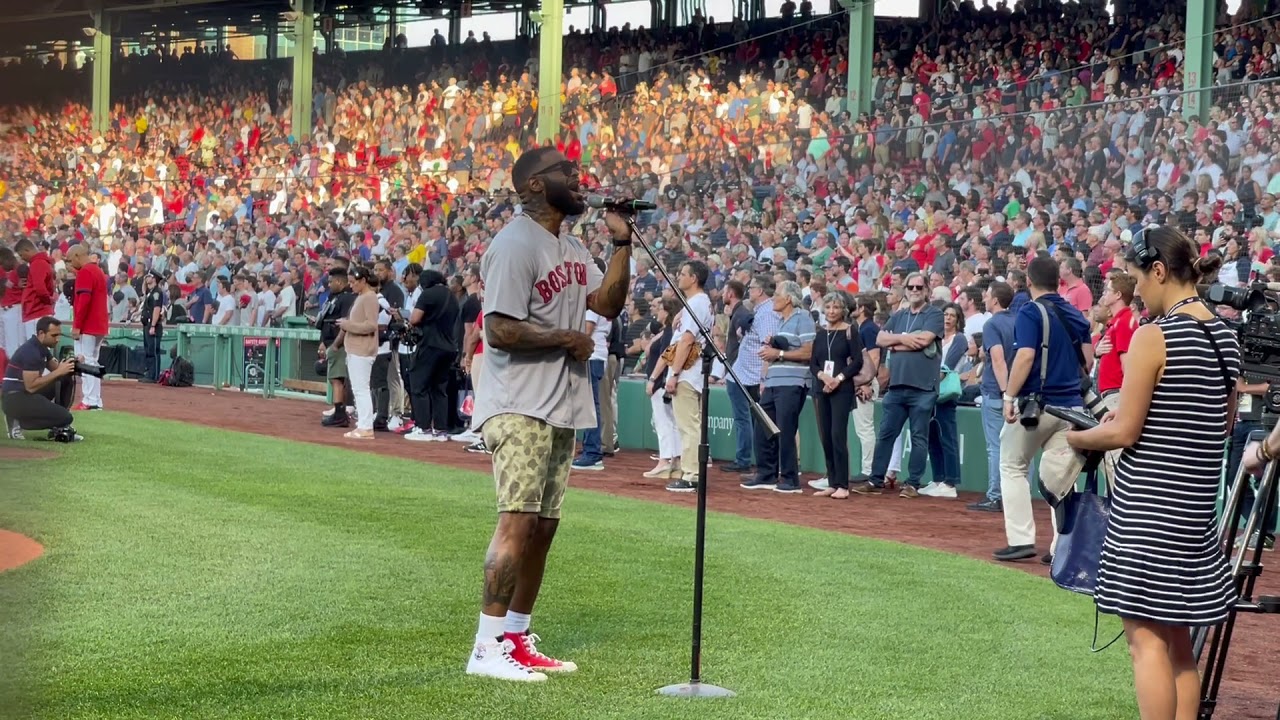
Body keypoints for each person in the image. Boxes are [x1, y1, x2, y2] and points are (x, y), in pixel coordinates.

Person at [466, 146, 632, 681]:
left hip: (558, 404)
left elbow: (605, 303)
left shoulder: (570, 243)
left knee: (543, 526)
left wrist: (623, 243)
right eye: (567, 173)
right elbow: (500, 329)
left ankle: (515, 636)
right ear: (536, 185)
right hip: (518, 402)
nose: (578, 179)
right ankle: (486, 647)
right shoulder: (515, 243)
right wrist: (567, 338)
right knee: (517, 520)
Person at [1067, 225, 1240, 720]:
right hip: (1194, 512)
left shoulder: (1154, 335)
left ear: (1159, 271)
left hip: (1148, 513)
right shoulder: (1227, 337)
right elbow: (1220, 423)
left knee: (1145, 645)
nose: (1135, 289)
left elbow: (1124, 433)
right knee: (1180, 647)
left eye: (1137, 278)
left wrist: (1076, 439)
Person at [996, 255, 1092, 562]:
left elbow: (1024, 357)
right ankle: (1061, 546)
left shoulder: (1030, 311)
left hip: (1036, 406)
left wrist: (1009, 397)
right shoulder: (1075, 313)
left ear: (1028, 281)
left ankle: (1022, 539)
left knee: (1013, 466)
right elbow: (1087, 361)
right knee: (1061, 477)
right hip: (1072, 408)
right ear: (1059, 281)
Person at [855, 272, 944, 498]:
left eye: (919, 287)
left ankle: (913, 483)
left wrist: (897, 342)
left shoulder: (934, 313)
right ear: (905, 290)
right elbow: (880, 339)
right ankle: (876, 481)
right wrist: (906, 340)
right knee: (886, 434)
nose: (914, 290)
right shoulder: (899, 314)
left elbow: (924, 340)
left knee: (918, 437)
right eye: (911, 287)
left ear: (927, 290)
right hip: (897, 386)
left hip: (923, 387)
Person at [741, 281, 815, 493]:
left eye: (777, 295)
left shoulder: (804, 318)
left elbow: (809, 352)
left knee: (785, 430)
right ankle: (766, 474)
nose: (773, 298)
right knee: (764, 427)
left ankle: (790, 479)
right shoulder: (782, 321)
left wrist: (779, 353)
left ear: (789, 299)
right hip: (773, 382)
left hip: (793, 383)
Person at [660, 260, 714, 493]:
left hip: (688, 372)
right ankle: (693, 472)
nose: (679, 277)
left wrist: (674, 374)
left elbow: (686, 340)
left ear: (694, 279)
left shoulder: (697, 302)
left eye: (683, 274)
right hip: (694, 371)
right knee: (693, 425)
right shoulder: (699, 302)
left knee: (689, 426)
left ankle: (692, 475)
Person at [808, 293, 867, 499]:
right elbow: (813, 363)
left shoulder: (851, 331)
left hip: (842, 389)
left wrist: (838, 379)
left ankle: (843, 483)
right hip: (821, 388)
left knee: (837, 435)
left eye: (836, 307)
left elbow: (857, 361)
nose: (832, 311)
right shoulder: (820, 333)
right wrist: (824, 377)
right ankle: (832, 482)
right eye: (829, 307)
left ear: (843, 310)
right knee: (826, 436)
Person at [970, 281, 1015, 513]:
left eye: (987, 295)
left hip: (998, 394)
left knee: (995, 447)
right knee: (1017, 449)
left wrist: (1006, 392)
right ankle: (1015, 496)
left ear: (995, 299)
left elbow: (998, 360)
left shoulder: (992, 324)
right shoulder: (1019, 320)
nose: (985, 298)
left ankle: (995, 496)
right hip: (1018, 393)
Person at [1, 316, 80, 442]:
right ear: (41, 333)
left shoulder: (41, 348)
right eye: (54, 335)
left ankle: (60, 427)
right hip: (14, 398)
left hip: (24, 393)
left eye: (59, 335)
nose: (57, 339)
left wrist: (72, 365)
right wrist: (60, 371)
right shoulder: (31, 351)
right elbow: (31, 387)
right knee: (66, 417)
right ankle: (17, 420)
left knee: (65, 378)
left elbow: (57, 369)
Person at [405, 269, 459, 441]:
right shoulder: (452, 296)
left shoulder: (428, 294)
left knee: (418, 385)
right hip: (449, 347)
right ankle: (441, 430)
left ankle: (423, 428)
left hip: (430, 345)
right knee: (439, 389)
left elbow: (414, 318)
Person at [922, 302, 968, 498]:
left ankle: (950, 482)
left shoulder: (959, 339)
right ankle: (938, 478)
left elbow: (947, 366)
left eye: (952, 315)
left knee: (947, 437)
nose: (948, 318)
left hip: (945, 393)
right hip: (929, 392)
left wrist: (930, 383)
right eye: (945, 315)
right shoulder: (936, 337)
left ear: (958, 320)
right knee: (932, 437)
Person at [336, 265, 381, 441]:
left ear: (363, 281)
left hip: (362, 349)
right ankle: (363, 424)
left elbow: (371, 325)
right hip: (356, 348)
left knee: (361, 389)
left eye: (354, 282)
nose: (351, 285)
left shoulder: (369, 297)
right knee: (359, 388)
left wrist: (347, 325)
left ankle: (366, 426)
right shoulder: (363, 296)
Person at [642, 298, 683, 478]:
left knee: (663, 422)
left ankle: (664, 461)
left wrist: (653, 380)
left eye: (659, 309)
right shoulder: (668, 331)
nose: (656, 313)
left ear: (666, 312)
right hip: (666, 382)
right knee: (672, 422)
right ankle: (675, 461)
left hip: (661, 382)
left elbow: (665, 357)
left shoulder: (668, 332)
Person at [67, 246, 108, 411]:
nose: (70, 263)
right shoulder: (96, 270)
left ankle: (90, 400)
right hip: (99, 324)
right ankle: (95, 400)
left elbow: (84, 301)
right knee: (93, 361)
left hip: (88, 324)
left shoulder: (85, 272)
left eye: (70, 259)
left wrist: (77, 325)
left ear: (78, 256)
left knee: (85, 361)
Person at [16, 239, 54, 340]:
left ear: (27, 250)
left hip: (37, 312)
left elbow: (40, 288)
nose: (22, 258)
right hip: (37, 311)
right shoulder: (39, 262)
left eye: (21, 255)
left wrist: (48, 301)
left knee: (36, 349)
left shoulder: (37, 263)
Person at [139, 272, 166, 382]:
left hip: (152, 324)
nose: (146, 278)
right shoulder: (150, 292)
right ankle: (149, 373)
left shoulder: (157, 292)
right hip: (147, 324)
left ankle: (153, 375)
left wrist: (153, 325)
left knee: (153, 351)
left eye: (149, 276)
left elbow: (156, 309)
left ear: (154, 278)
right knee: (148, 350)